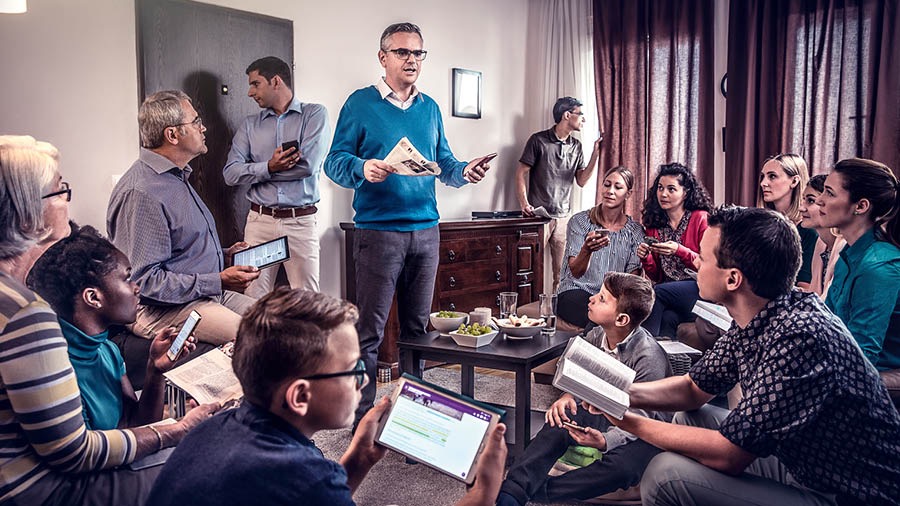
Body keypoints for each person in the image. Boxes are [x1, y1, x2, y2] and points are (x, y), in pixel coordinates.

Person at [595, 205, 900, 506]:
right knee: (692, 417)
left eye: (704, 258)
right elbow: (691, 388)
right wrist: (620, 393)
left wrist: (627, 420)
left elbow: (729, 454)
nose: (697, 264)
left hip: (847, 494)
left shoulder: (799, 338)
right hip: (806, 463)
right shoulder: (765, 313)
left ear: (733, 279)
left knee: (665, 476)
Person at [0, 135, 216, 506]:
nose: (67, 198)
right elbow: (74, 453)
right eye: (59, 190)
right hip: (36, 487)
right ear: (27, 211)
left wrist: (154, 373)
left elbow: (131, 422)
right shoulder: (25, 314)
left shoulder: (96, 346)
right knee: (211, 464)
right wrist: (175, 432)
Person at [145, 288, 508, 506]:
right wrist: (482, 497)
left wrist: (360, 458)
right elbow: (310, 490)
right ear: (300, 396)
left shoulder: (216, 428)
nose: (363, 381)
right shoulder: (303, 477)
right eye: (352, 369)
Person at [324, 22, 493, 426]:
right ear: (383, 57)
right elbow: (334, 161)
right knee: (370, 331)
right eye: (402, 53)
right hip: (378, 233)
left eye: (418, 53)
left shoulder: (430, 107)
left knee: (419, 331)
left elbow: (444, 164)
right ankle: (361, 420)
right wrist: (363, 167)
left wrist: (464, 171)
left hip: (426, 231)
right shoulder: (359, 104)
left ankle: (414, 419)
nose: (412, 60)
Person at [497, 272, 671, 505]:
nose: (591, 299)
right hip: (602, 412)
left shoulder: (649, 357)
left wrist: (605, 441)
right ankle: (513, 491)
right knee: (559, 422)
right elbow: (575, 373)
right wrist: (567, 397)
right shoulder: (596, 335)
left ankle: (546, 492)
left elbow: (642, 421)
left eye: (602, 299)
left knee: (624, 467)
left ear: (621, 320)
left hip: (644, 431)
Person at [108, 90, 259, 345]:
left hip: (204, 296)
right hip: (162, 309)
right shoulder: (143, 192)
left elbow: (179, 250)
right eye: (196, 121)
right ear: (173, 134)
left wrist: (223, 254)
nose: (204, 128)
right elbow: (144, 282)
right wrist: (218, 280)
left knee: (285, 322)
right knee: (263, 339)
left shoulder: (175, 177)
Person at [28, 225, 207, 430]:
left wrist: (155, 369)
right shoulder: (57, 371)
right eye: (127, 278)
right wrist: (180, 429)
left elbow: (138, 423)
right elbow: (88, 457)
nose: (136, 287)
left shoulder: (106, 349)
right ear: (94, 297)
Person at [223, 56, 330, 296]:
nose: (250, 92)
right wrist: (270, 167)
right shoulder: (249, 125)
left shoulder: (314, 115)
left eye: (255, 84)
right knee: (252, 298)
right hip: (260, 223)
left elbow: (308, 167)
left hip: (300, 222)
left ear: (275, 81)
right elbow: (230, 174)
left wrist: (256, 171)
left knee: (307, 300)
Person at [818, 158, 900, 371]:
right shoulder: (849, 253)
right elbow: (829, 324)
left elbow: (862, 355)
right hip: (841, 361)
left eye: (830, 193)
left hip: (877, 376)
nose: (820, 200)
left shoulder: (878, 266)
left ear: (861, 206)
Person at [516, 97, 603, 293]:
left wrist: (595, 155)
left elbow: (581, 181)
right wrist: (524, 203)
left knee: (562, 274)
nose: (583, 120)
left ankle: (555, 316)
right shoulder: (538, 140)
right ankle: (531, 316)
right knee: (531, 272)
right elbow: (520, 172)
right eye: (580, 114)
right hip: (538, 218)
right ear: (567, 115)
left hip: (564, 218)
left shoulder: (577, 146)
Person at [555, 166, 643, 328]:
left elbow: (632, 278)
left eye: (618, 187)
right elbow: (576, 272)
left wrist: (611, 299)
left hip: (611, 297)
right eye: (606, 184)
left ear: (628, 194)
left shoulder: (635, 231)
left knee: (617, 315)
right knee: (599, 319)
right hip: (576, 291)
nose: (610, 190)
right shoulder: (579, 222)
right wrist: (586, 250)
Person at [638, 163, 713, 339]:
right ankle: (666, 363)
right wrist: (647, 258)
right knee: (668, 318)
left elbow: (708, 265)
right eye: (660, 188)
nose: (663, 194)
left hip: (700, 288)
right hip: (671, 293)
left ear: (685, 193)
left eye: (671, 189)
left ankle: (640, 348)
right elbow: (657, 275)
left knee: (656, 293)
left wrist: (680, 250)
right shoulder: (655, 225)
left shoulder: (700, 218)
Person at [757, 153, 818, 289]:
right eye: (763, 177)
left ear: (794, 181)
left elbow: (805, 288)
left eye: (772, 176)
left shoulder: (808, 231)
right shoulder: (761, 227)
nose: (763, 183)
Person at [797, 174, 842, 297]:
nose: (801, 208)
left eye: (811, 201)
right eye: (803, 200)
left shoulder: (844, 246)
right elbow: (816, 296)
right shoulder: (821, 243)